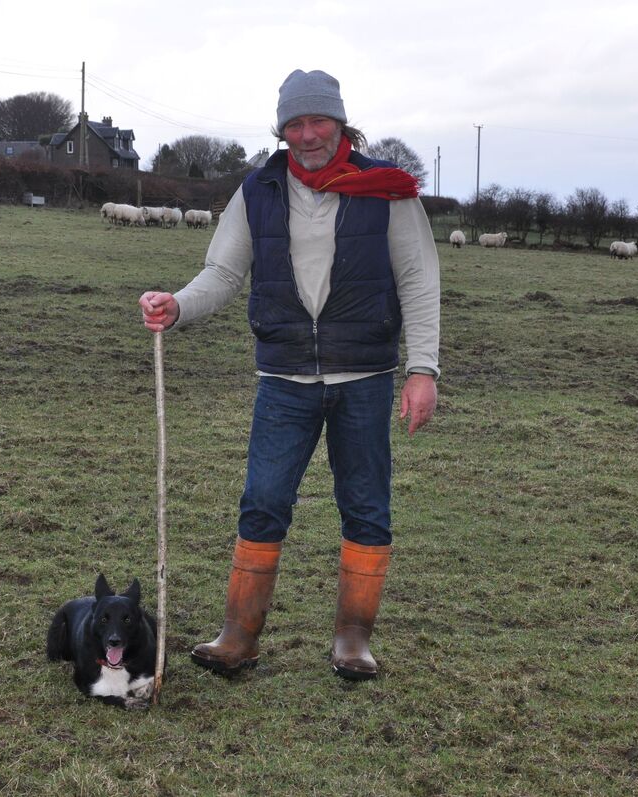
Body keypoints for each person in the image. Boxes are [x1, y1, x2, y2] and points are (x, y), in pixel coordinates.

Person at [139, 69, 440, 680]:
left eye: (318, 121)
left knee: (366, 507)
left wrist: (423, 368)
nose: (307, 135)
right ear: (281, 130)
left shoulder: (388, 189)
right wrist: (177, 305)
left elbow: (419, 279)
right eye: (294, 124)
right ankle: (239, 636)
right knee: (264, 502)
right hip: (284, 380)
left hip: (366, 376)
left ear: (340, 122)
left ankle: (354, 639)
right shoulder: (258, 191)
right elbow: (223, 274)